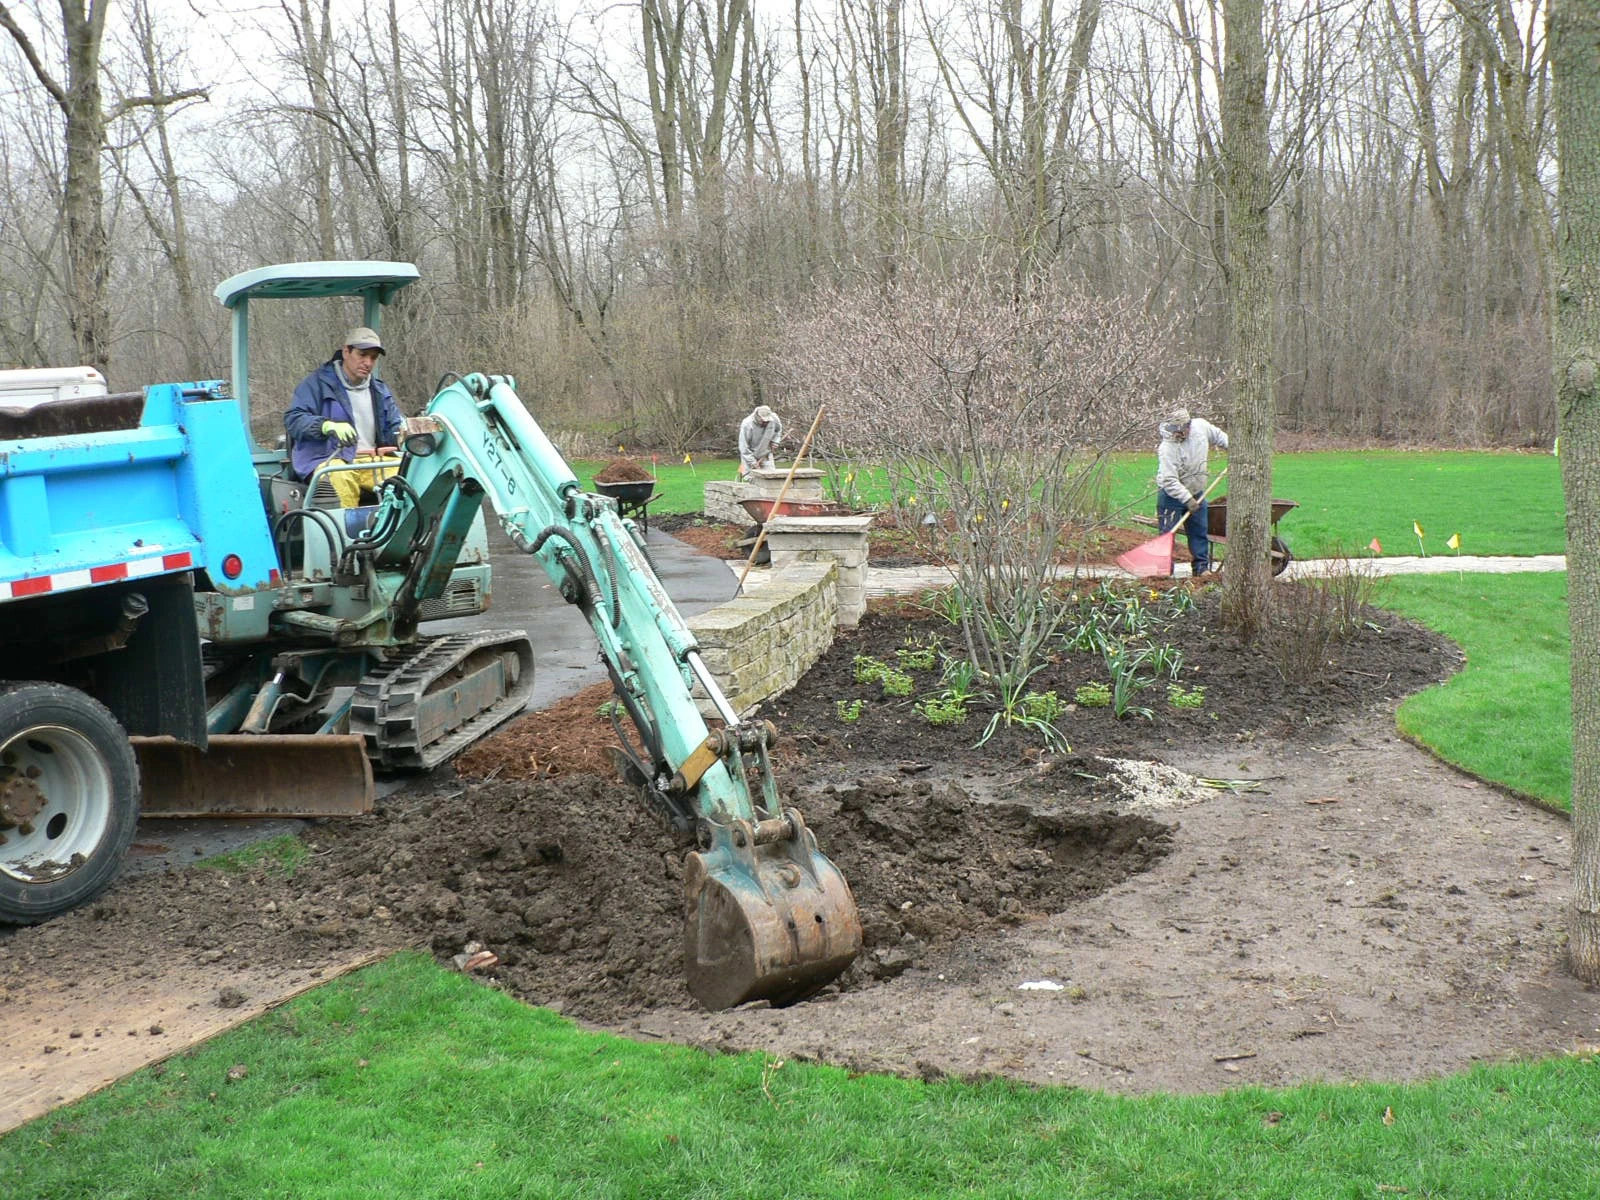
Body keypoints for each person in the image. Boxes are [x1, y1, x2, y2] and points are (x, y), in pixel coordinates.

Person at [285, 326, 405, 507]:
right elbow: (294, 419)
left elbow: (395, 427)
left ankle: (404, 532)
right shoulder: (317, 384)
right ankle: (345, 533)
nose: (368, 362)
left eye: (373, 358)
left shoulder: (379, 390)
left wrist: (408, 432)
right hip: (329, 459)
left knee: (412, 472)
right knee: (339, 476)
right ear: (346, 352)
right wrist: (326, 426)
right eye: (362, 355)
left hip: (371, 460)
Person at [1155, 406, 1228, 576]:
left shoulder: (1200, 427)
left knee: (1199, 531)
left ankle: (1201, 568)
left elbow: (1218, 436)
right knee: (1167, 535)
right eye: (1175, 430)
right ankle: (1164, 570)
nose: (1179, 433)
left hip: (1197, 492)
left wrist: (1233, 448)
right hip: (1171, 497)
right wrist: (1187, 499)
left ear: (1188, 425)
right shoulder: (1167, 448)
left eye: (1181, 429)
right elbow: (1169, 480)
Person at [737, 404, 784, 477]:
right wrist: (753, 462)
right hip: (750, 456)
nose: (766, 423)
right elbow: (743, 447)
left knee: (770, 477)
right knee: (751, 479)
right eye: (763, 421)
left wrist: (775, 441)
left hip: (766, 454)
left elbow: (778, 430)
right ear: (758, 416)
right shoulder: (747, 424)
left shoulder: (774, 418)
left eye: (767, 421)